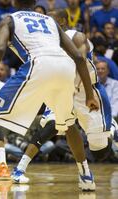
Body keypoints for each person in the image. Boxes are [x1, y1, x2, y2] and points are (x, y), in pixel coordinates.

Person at [0, 0, 99, 194]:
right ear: (34, 3)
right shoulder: (50, 21)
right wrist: (89, 94)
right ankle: (86, 176)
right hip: (65, 68)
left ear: (15, 2)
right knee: (67, 123)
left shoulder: (10, 19)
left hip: (38, 65)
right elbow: (77, 56)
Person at [13, 8, 117, 187]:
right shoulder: (45, 42)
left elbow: (80, 62)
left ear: (60, 22)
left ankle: (111, 129)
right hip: (62, 90)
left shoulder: (76, 36)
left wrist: (89, 95)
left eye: (49, 19)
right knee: (52, 125)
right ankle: (20, 169)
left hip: (86, 91)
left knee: (100, 152)